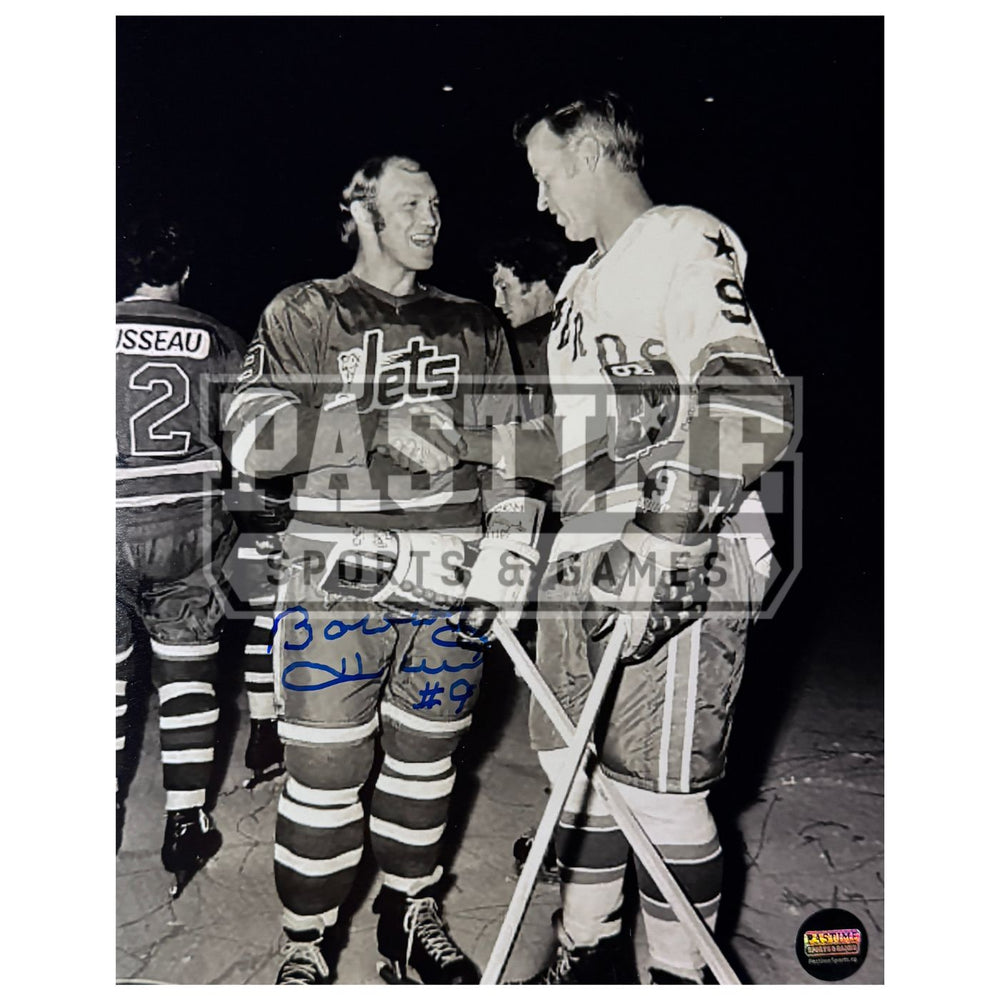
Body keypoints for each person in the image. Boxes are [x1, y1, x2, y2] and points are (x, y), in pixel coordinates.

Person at [224, 154, 543, 985]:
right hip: (337, 571)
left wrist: (508, 554)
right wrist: (369, 420)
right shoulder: (304, 310)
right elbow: (252, 445)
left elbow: (519, 456)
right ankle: (307, 942)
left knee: (426, 763)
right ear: (359, 212)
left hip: (448, 569)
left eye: (435, 204)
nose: (431, 219)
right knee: (325, 772)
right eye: (410, 205)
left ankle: (409, 919)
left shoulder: (476, 323)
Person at [498, 94, 795, 984]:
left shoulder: (682, 236)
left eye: (548, 178)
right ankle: (585, 957)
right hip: (582, 556)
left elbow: (750, 400)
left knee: (661, 800)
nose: (544, 203)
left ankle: (677, 972)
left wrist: (663, 547)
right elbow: (566, 444)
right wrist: (506, 532)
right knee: (573, 783)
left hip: (677, 551)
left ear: (591, 153)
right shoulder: (581, 289)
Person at [116, 216, 243, 898]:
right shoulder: (221, 337)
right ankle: (184, 823)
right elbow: (257, 449)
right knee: (189, 674)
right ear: (186, 272)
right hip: (192, 525)